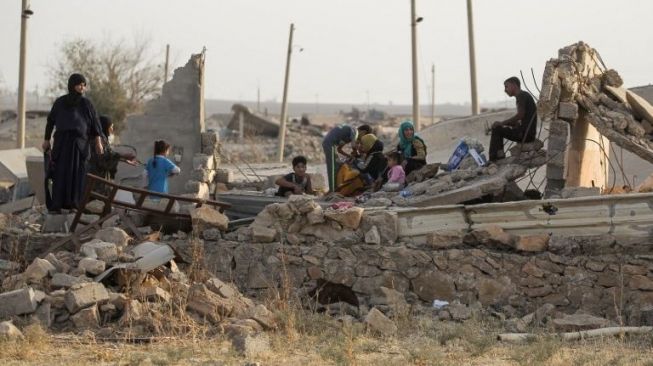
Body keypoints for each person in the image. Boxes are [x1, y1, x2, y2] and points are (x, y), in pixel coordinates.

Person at [43, 73, 103, 212]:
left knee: (78, 174)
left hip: (79, 145)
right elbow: (50, 121)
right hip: (62, 144)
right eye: (79, 84)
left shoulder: (86, 104)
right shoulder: (60, 102)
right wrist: (46, 139)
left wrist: (98, 142)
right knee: (60, 173)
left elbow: (95, 124)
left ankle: (75, 205)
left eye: (84, 85)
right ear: (72, 85)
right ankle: (57, 204)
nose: (82, 87)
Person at [489, 76, 538, 162]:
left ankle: (494, 159)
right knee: (500, 128)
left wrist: (502, 123)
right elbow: (521, 119)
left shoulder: (521, 96)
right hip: (528, 134)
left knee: (497, 129)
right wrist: (508, 124)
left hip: (525, 135)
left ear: (514, 85)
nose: (505, 90)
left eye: (506, 86)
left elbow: (520, 115)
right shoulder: (524, 95)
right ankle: (499, 156)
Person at [88, 115, 136, 182]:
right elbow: (103, 159)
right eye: (111, 127)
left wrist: (123, 159)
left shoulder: (102, 139)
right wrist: (122, 155)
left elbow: (108, 155)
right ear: (106, 126)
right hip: (94, 181)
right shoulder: (98, 140)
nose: (112, 129)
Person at [322, 124, 358, 192]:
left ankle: (336, 187)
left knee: (337, 165)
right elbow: (353, 146)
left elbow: (339, 149)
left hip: (330, 144)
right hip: (330, 144)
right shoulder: (355, 131)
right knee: (332, 168)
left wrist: (349, 156)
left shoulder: (346, 135)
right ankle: (332, 190)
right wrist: (355, 153)